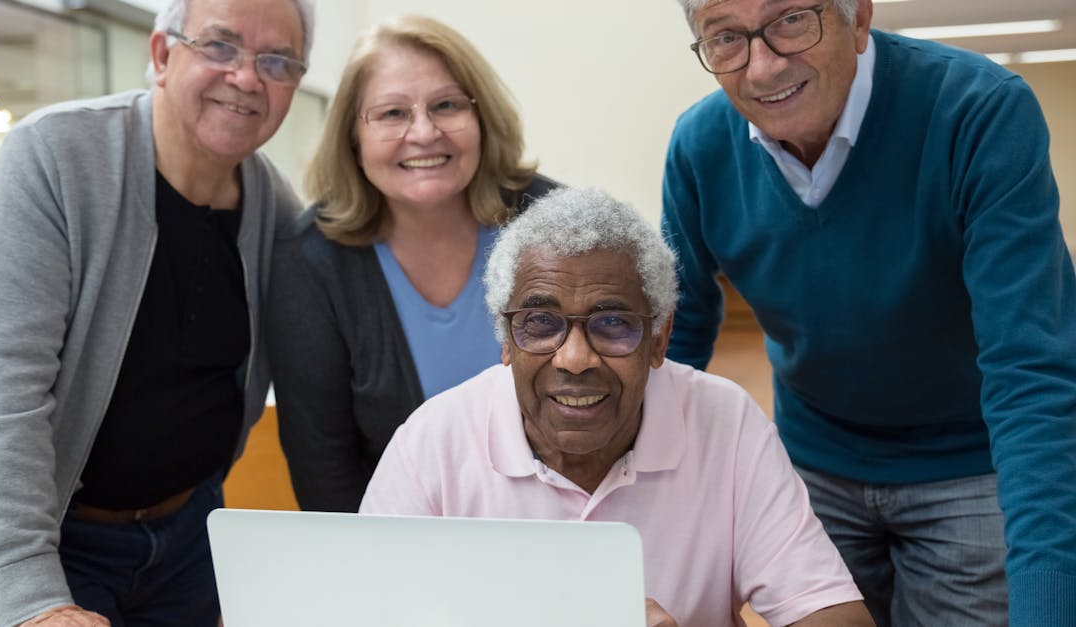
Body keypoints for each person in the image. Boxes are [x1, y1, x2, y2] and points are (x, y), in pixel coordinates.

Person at [661, 1, 1076, 624]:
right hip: (813, 459)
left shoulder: (978, 109)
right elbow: (676, 338)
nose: (763, 66)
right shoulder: (699, 146)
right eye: (725, 37)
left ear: (857, 18)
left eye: (791, 19)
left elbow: (1030, 366)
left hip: (973, 462)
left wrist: (1050, 604)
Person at [0, 0, 312, 625]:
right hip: (55, 538)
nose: (247, 77)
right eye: (219, 46)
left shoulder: (274, 206)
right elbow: (1, 396)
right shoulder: (56, 155)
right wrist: (32, 596)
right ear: (162, 55)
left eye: (276, 60)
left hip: (190, 535)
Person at [361, 187, 874, 627]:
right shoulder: (433, 441)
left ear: (660, 338)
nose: (574, 359)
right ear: (505, 339)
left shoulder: (726, 423)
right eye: (540, 323)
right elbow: (360, 611)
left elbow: (833, 614)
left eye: (612, 324)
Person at [266, 15, 556, 512]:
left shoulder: (554, 225)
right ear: (353, 139)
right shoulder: (310, 262)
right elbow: (324, 472)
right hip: (396, 544)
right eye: (392, 113)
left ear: (482, 119)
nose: (424, 132)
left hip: (566, 530)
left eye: (446, 105)